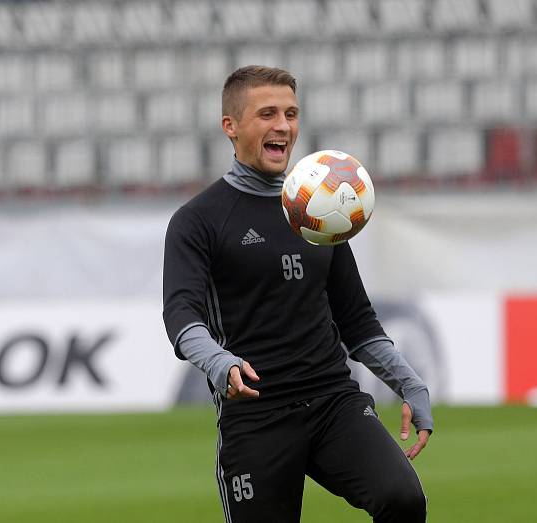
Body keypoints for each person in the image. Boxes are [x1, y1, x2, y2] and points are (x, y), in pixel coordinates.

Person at [162, 65, 432, 523]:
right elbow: (181, 318)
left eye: (291, 113)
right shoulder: (198, 220)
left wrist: (408, 381)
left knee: (403, 500)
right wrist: (219, 361)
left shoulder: (320, 211)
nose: (283, 126)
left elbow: (357, 320)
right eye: (267, 113)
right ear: (231, 126)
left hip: (333, 401)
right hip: (256, 414)